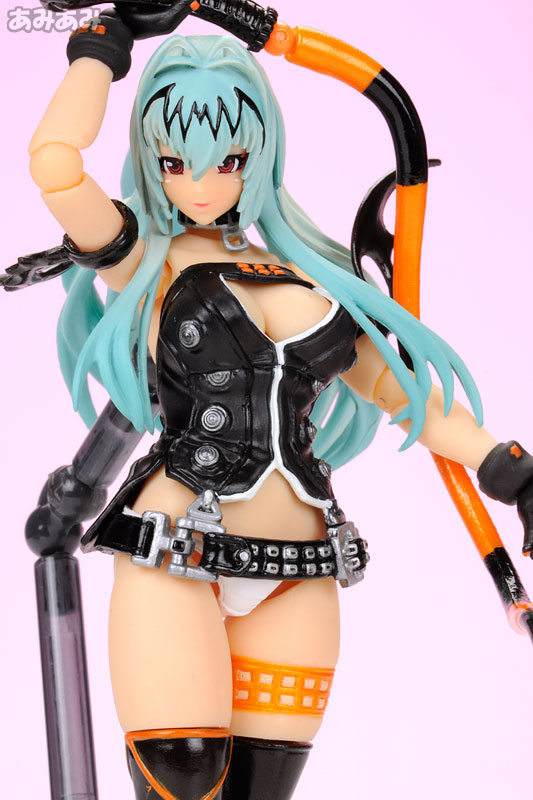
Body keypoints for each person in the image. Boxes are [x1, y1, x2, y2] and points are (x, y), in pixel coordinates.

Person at [2, 3, 533, 799]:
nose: (201, 184)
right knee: (183, 777)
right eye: (174, 161)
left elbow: (406, 398)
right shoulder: (141, 259)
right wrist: (103, 45)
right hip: (173, 553)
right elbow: (55, 164)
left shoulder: (312, 278)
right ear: (149, 158)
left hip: (303, 566)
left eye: (228, 159)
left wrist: (511, 472)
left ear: (261, 153)